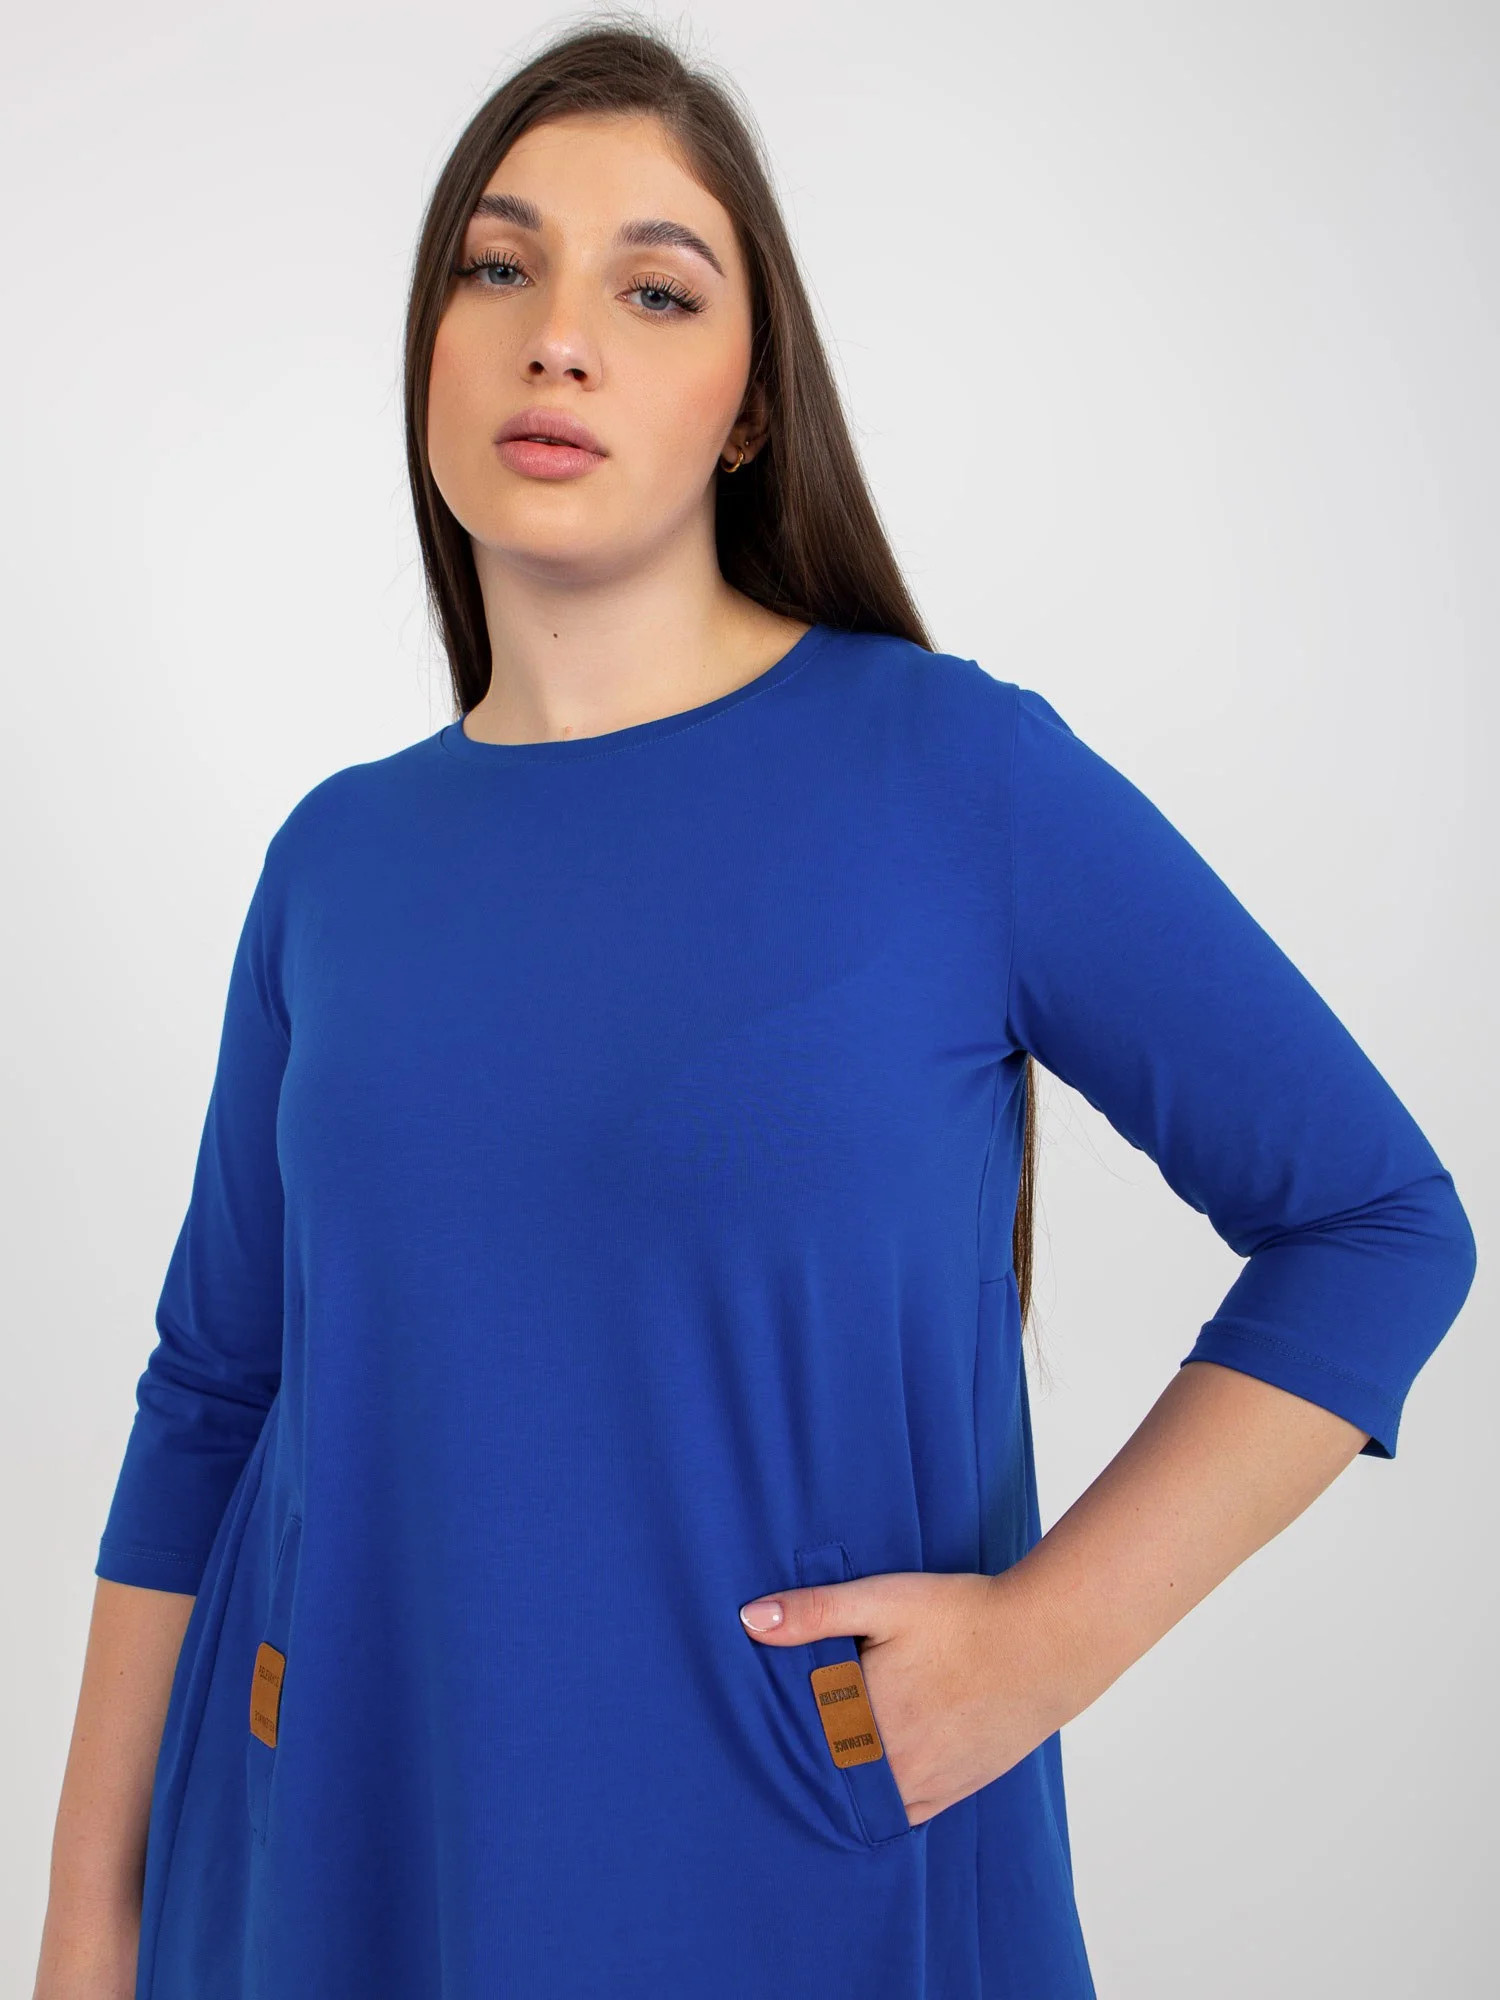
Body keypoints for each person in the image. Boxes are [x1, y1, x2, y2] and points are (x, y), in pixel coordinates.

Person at [34, 18, 1477, 2000]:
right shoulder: (337, 862)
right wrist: (86, 1922)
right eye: (498, 266)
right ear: (430, 351)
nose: (558, 338)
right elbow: (214, 1390)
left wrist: (1037, 1650)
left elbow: (1377, 1224)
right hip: (336, 1851)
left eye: (654, 289)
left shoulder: (951, 779)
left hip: (795, 1856)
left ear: (746, 408)